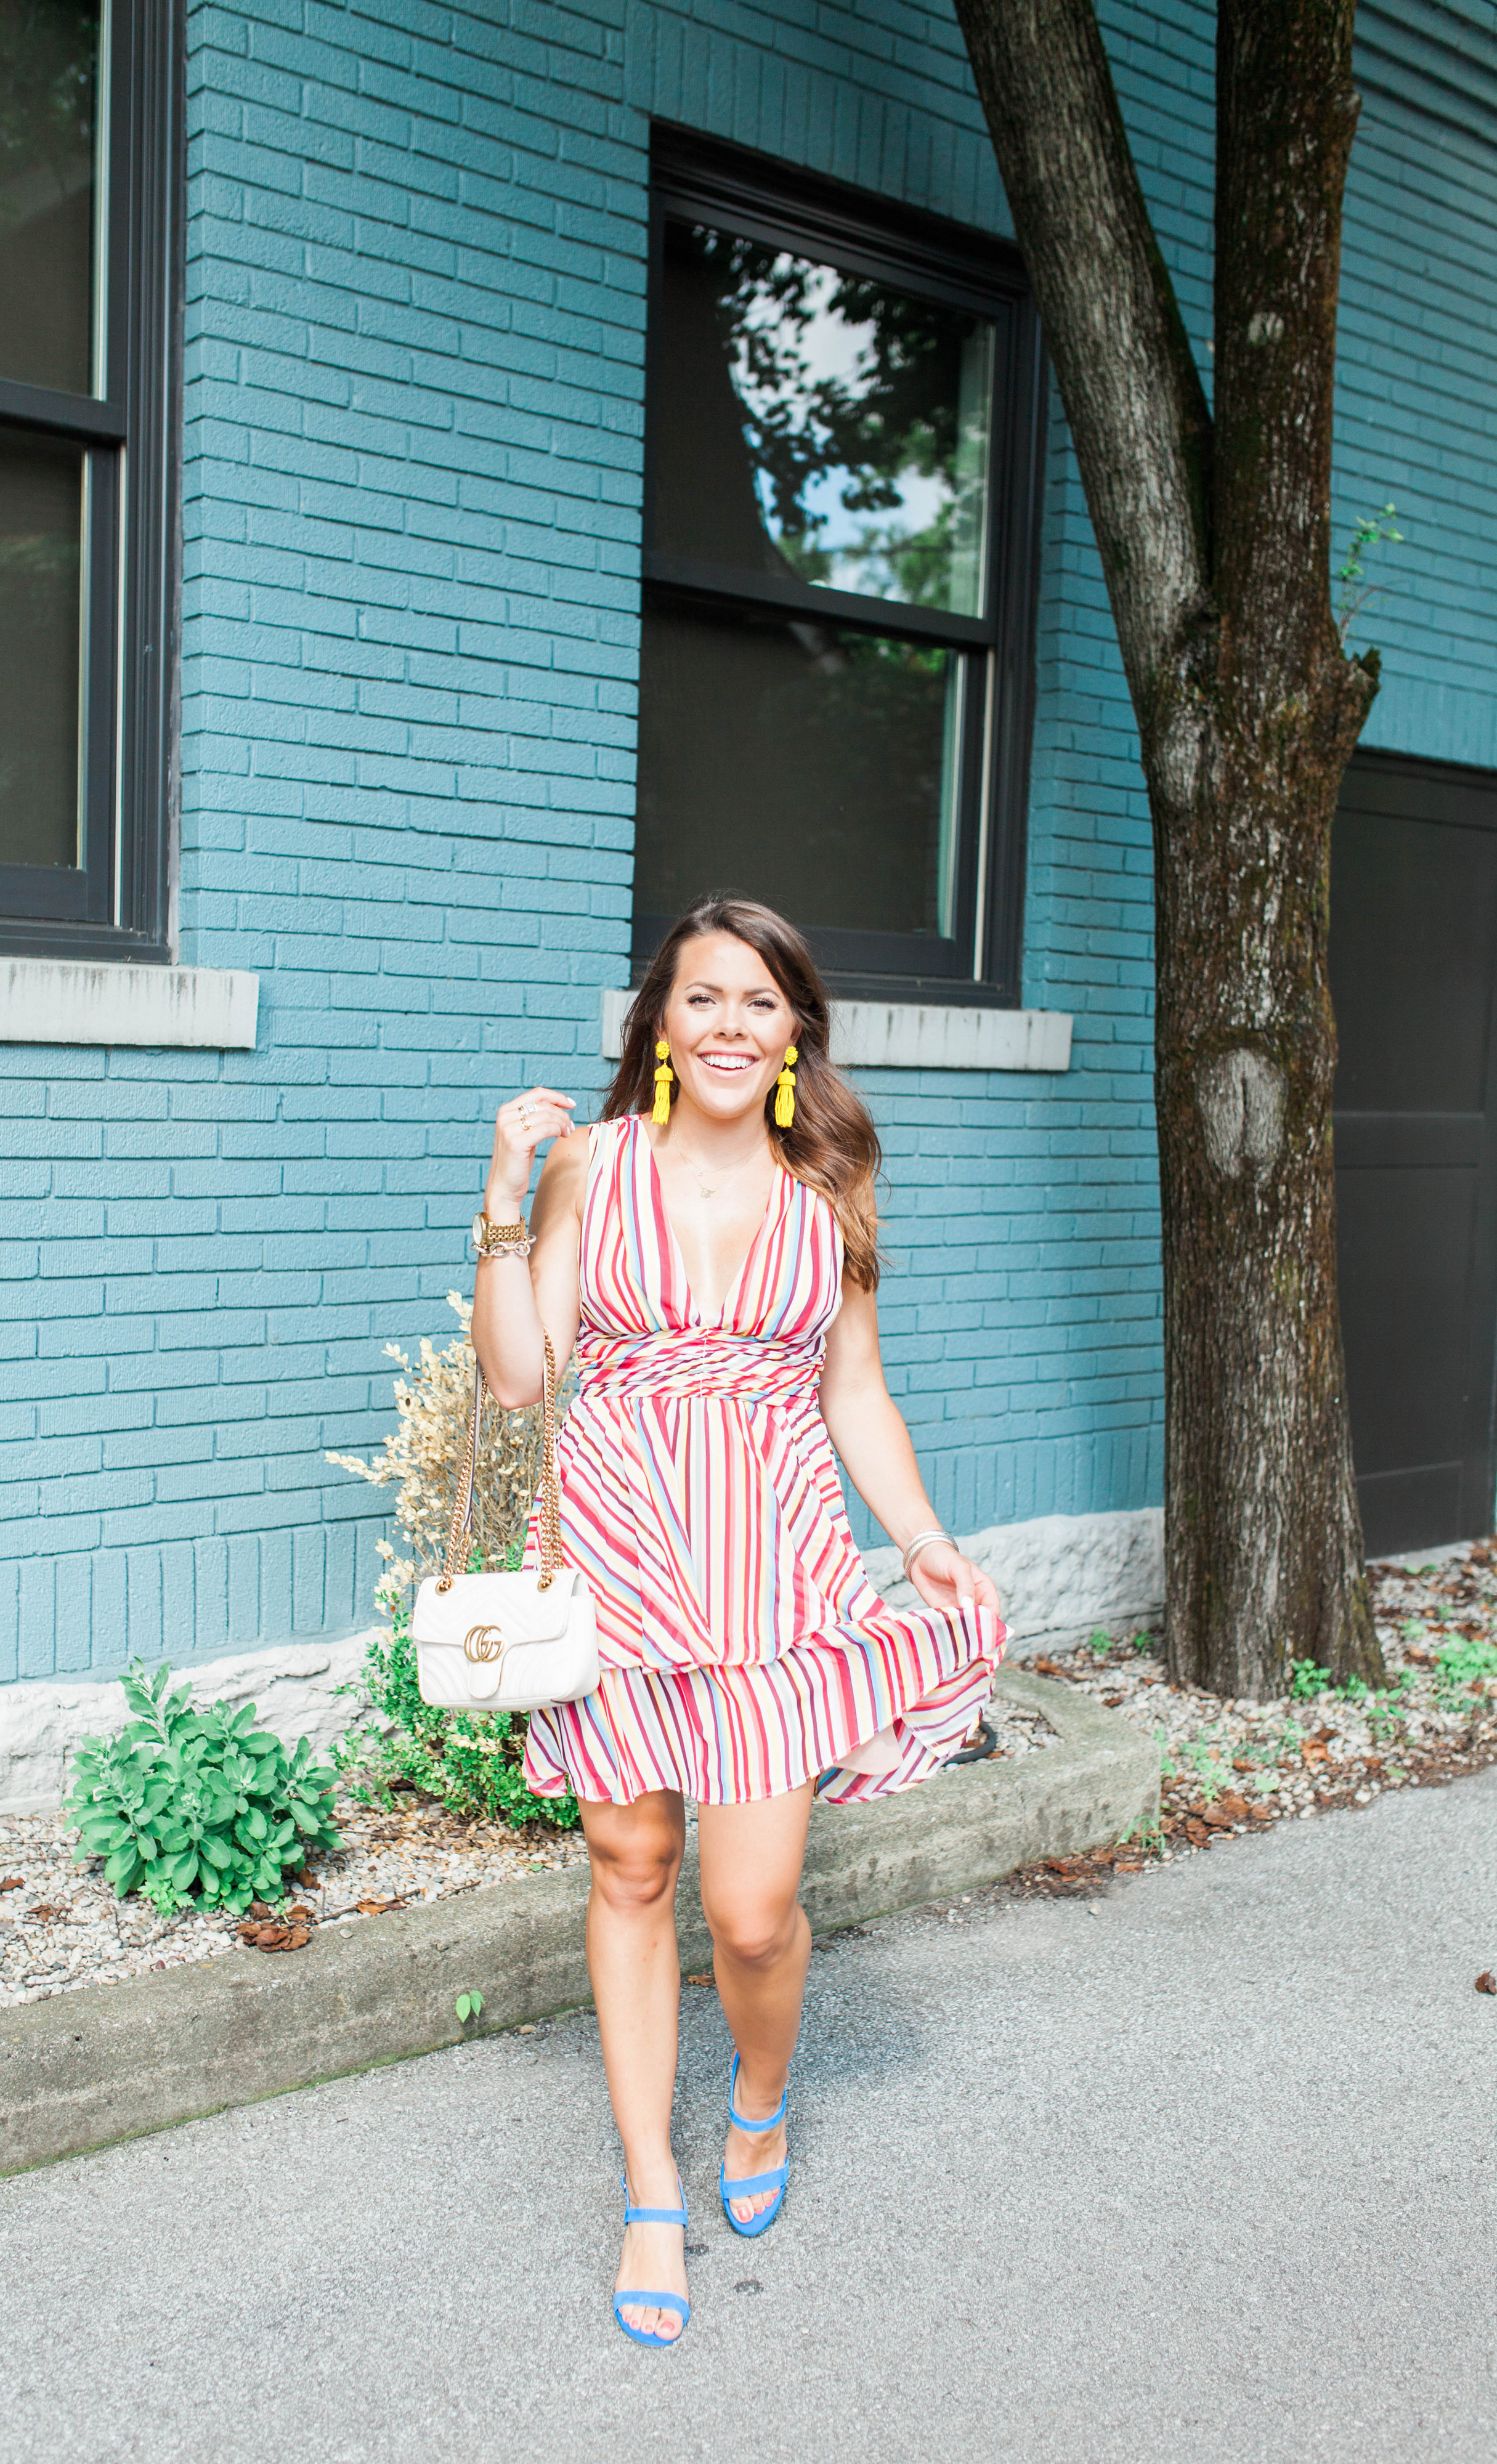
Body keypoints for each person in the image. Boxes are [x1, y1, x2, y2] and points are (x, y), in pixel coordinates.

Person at [470, 896, 1004, 2348]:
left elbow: (853, 1390)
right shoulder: (593, 1162)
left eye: (756, 1003)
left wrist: (926, 1541)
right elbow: (522, 1382)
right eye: (699, 997)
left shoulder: (829, 1177)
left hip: (774, 1567)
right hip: (620, 1555)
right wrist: (506, 1197)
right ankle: (653, 2189)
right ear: (657, 1020)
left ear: (791, 1034)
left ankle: (757, 2098)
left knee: (750, 1909)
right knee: (632, 1864)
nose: (724, 1023)